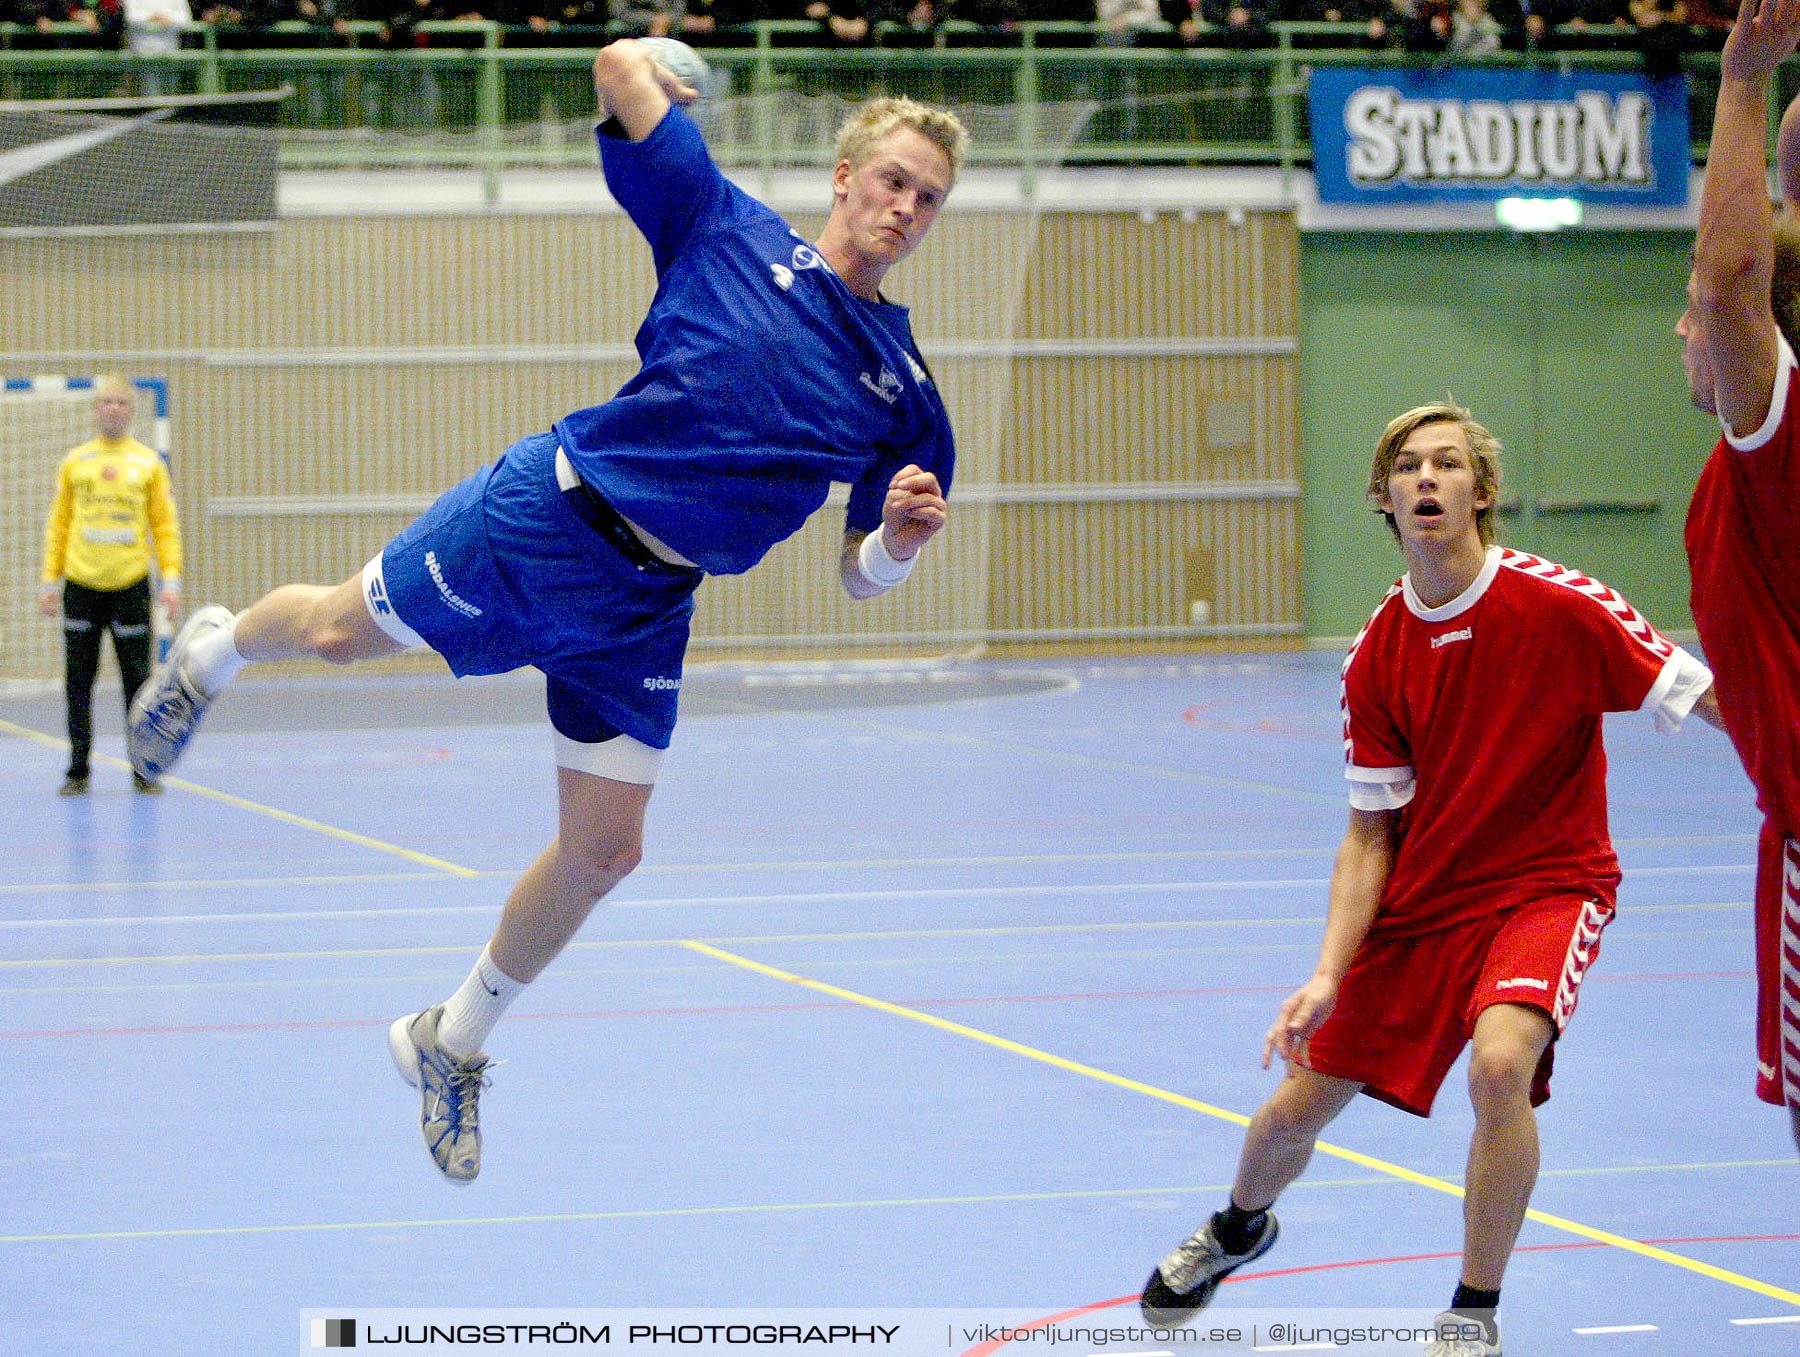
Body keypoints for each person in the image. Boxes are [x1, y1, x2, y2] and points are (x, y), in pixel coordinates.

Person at [127, 44, 966, 1185]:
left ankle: (449, 1040)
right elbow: (616, 65)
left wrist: (898, 545)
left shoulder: (904, 392)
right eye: (895, 180)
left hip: (648, 604)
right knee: (333, 631)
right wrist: (660, 72)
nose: (908, 207)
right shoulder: (723, 226)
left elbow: (859, 573)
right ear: (846, 174)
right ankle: (212, 654)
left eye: (929, 197)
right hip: (546, 520)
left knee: (606, 849)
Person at [1139, 403, 1719, 1357]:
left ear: (1481, 491)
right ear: (1385, 498)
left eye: (1447, 464)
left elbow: (1696, 692)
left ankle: (1471, 1313)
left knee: (1500, 1064)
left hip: (1547, 886)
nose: (1425, 479)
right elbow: (1369, 835)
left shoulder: (1560, 602)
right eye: (1407, 466)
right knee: (1289, 1114)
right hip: (1422, 908)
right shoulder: (1378, 651)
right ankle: (1238, 1228)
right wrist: (1328, 972)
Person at [1677, 0, 1800, 1155]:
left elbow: (1728, 281)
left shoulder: (1779, 435)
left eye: (1689, 315)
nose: (1684, 327)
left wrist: (1747, 77)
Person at [39, 375, 184, 798]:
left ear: (131, 411)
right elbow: (60, 524)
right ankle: (78, 769)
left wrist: (170, 582)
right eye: (106, 402)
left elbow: (164, 526)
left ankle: (143, 769)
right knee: (78, 680)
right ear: (96, 409)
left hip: (131, 587)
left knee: (138, 684)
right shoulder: (77, 462)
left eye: (121, 402)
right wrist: (51, 581)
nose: (114, 409)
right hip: (82, 586)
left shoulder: (148, 464)